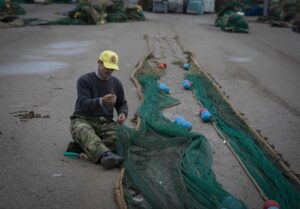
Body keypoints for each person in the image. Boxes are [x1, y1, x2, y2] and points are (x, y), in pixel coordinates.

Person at [68, 50, 128, 169]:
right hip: (83, 119)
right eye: (107, 67)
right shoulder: (84, 80)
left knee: (124, 137)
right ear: (99, 63)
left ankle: (82, 146)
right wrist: (101, 101)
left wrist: (122, 113)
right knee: (82, 129)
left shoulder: (116, 83)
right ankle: (105, 155)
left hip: (105, 122)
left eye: (112, 69)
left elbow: (122, 103)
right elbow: (82, 103)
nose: (110, 71)